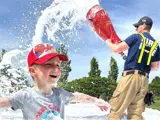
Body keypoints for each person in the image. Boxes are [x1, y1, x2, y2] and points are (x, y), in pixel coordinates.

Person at [0, 43, 111, 120]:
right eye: (48, 64)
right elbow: (3, 102)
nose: (56, 68)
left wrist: (96, 100)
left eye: (58, 65)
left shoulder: (60, 94)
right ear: (33, 71)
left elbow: (77, 97)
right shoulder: (25, 96)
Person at [105, 16, 160, 120]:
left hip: (130, 78)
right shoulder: (156, 45)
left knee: (116, 110)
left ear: (143, 25)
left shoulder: (136, 37)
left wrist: (107, 40)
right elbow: (155, 67)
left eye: (137, 26)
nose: (136, 29)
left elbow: (116, 49)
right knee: (135, 114)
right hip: (144, 81)